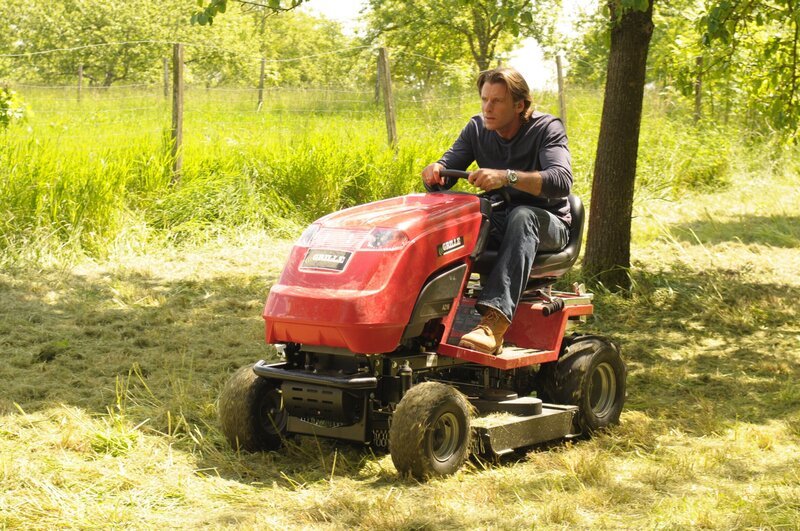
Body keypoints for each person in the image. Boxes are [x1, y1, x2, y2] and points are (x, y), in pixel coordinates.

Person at [421, 67, 573, 355]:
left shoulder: (547, 128)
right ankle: (426, 310)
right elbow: (449, 166)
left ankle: (493, 323)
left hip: (548, 223)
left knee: (523, 216)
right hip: (501, 218)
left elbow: (561, 181)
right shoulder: (477, 128)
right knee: (455, 216)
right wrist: (437, 170)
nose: (487, 108)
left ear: (519, 105)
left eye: (497, 101)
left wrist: (507, 176)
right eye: (484, 99)